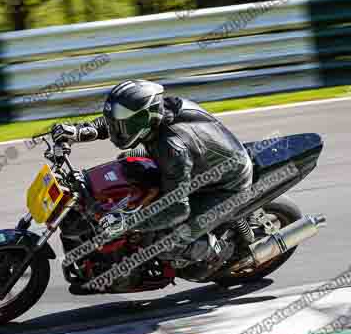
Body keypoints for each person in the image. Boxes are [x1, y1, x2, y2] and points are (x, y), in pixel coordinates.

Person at [51, 79, 254, 289]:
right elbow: (117, 121)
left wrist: (128, 223)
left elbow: (178, 209)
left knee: (167, 242)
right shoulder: (156, 114)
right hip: (197, 165)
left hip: (225, 187)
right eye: (116, 123)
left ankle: (216, 251)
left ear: (143, 120)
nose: (116, 129)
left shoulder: (173, 148)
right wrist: (80, 132)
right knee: (126, 165)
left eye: (122, 125)